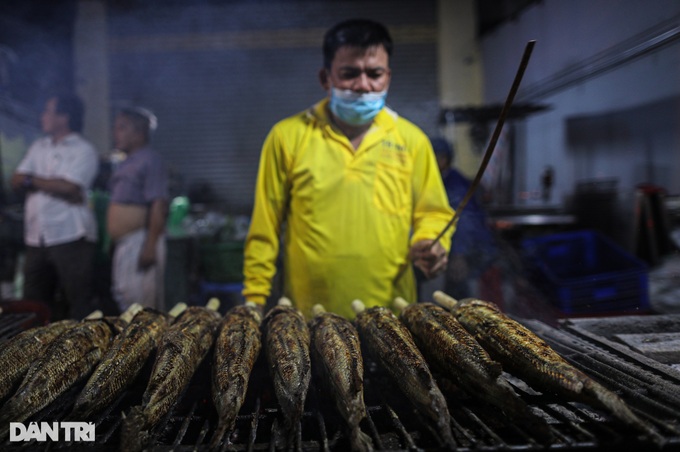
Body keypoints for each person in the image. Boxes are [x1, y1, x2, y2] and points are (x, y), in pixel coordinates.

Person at [243, 19, 454, 319]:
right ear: (325, 78)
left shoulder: (412, 140)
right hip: (308, 316)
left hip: (392, 313)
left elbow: (433, 212)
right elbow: (265, 228)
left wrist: (432, 240)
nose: (363, 85)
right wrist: (255, 299)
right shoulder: (287, 137)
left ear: (388, 77)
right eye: (349, 73)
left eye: (374, 74)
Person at [10, 93, 99, 320]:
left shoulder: (83, 150)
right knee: (34, 303)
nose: (43, 116)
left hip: (70, 235)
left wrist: (33, 181)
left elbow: (70, 188)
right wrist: (51, 184)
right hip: (37, 237)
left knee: (79, 301)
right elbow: (16, 179)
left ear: (64, 117)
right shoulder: (39, 147)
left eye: (48, 111)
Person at [107, 106, 168, 312]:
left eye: (122, 128)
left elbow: (159, 204)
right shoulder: (127, 162)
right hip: (126, 244)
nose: (116, 134)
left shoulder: (150, 160)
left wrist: (150, 246)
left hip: (140, 241)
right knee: (126, 300)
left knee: (141, 309)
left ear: (140, 133)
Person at [431, 137, 499, 300]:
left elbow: (464, 219)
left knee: (465, 299)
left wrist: (459, 256)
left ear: (443, 159)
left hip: (471, 250)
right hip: (459, 250)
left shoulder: (455, 185)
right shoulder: (441, 181)